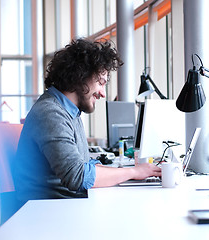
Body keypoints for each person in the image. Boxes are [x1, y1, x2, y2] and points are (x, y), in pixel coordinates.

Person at [13, 38, 161, 203]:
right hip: (48, 212)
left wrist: (131, 171)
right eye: (101, 83)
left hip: (62, 205)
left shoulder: (68, 112)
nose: (103, 93)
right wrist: (134, 172)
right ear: (80, 75)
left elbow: (82, 165)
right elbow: (78, 177)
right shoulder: (51, 114)